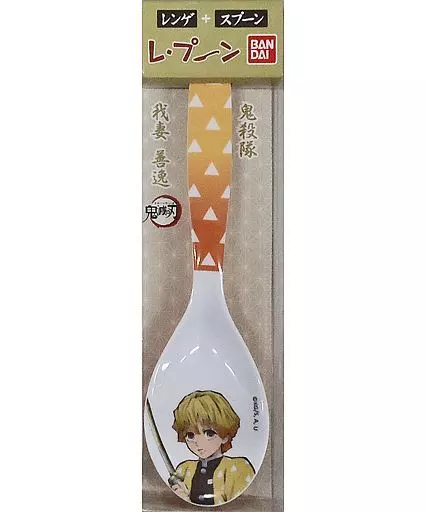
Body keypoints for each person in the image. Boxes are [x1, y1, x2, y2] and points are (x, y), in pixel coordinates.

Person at [170, 390, 255, 506]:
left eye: (209, 433)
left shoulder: (239, 468)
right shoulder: (184, 469)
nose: (198, 442)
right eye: (190, 435)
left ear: (225, 436)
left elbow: (240, 505)